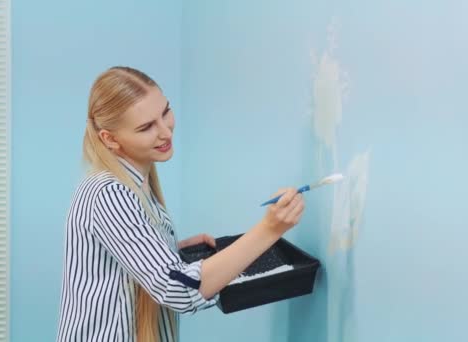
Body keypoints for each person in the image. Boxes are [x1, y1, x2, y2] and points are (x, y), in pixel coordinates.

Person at [56, 66, 305, 342]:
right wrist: (270, 229)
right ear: (111, 139)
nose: (165, 132)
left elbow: (125, 263)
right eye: (146, 127)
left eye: (165, 112)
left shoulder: (132, 183)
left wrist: (168, 249)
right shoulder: (110, 194)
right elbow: (178, 290)